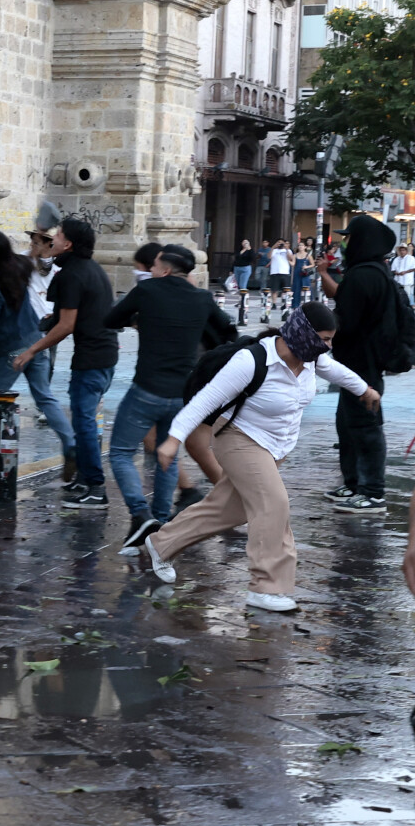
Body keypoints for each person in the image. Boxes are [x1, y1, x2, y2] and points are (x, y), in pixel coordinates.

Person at [139, 304, 379, 612]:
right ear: (302, 333)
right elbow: (205, 401)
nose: (327, 347)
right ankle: (266, 587)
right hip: (238, 438)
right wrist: (173, 440)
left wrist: (365, 390)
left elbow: (336, 370)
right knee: (273, 504)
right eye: (324, 338)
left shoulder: (312, 359)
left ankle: (161, 543)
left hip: (275, 446)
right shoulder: (251, 360)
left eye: (331, 340)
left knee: (226, 509)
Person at [101, 244, 235, 550]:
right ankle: (159, 519)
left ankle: (140, 513)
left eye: (155, 265)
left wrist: (139, 321)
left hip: (147, 389)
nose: (150, 270)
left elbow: (111, 319)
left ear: (165, 269)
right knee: (169, 453)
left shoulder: (147, 291)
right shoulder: (202, 298)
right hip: (183, 395)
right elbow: (228, 330)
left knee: (121, 452)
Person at [0, 230, 74, 485]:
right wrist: (39, 245)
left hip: (9, 350)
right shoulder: (20, 265)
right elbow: (31, 255)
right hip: (35, 342)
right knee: (45, 397)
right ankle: (71, 443)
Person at [13, 218, 117, 509]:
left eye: (57, 236)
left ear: (68, 243)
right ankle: (84, 478)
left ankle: (96, 488)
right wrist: (49, 321)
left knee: (83, 423)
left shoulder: (72, 275)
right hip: (103, 356)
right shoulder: (90, 269)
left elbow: (67, 325)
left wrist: (32, 350)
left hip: (92, 360)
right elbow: (69, 316)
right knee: (83, 421)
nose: (52, 239)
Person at [318, 215, 407, 514]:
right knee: (347, 422)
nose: (344, 243)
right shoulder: (373, 271)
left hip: (362, 362)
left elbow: (347, 320)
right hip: (358, 360)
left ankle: (373, 491)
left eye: (349, 238)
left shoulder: (364, 275)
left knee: (365, 425)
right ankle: (354, 483)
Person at [267, 240, 292, 310]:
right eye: (279, 243)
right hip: (275, 272)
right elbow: (269, 257)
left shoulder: (288, 250)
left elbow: (290, 258)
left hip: (285, 272)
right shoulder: (274, 250)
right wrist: (273, 247)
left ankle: (284, 303)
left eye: (282, 243)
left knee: (285, 290)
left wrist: (286, 249)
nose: (280, 244)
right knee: (274, 290)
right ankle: (274, 303)